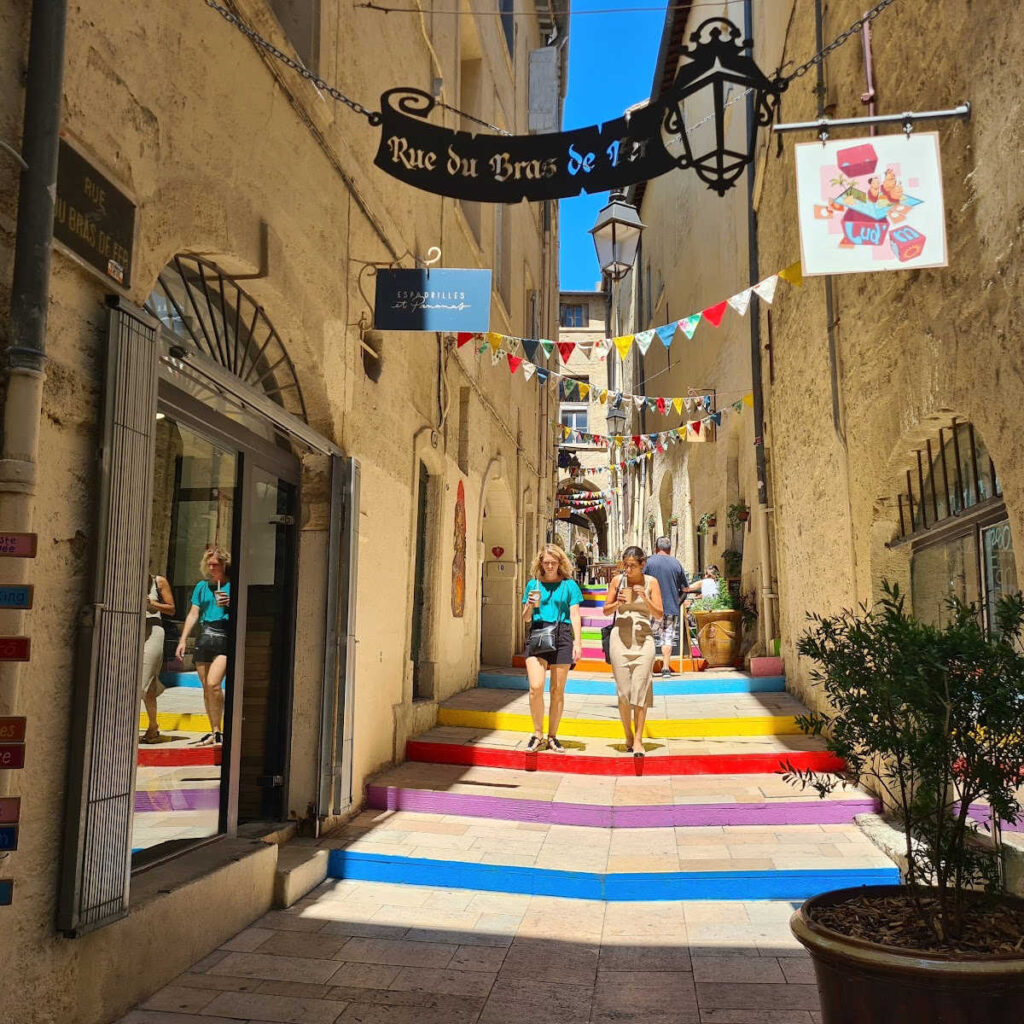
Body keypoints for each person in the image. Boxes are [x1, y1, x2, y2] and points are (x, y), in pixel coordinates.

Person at [521, 544, 583, 753]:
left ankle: (552, 736)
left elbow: (575, 615)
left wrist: (578, 642)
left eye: (553, 563)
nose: (549, 566)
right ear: (540, 563)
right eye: (546, 562)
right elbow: (526, 618)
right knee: (536, 687)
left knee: (557, 691)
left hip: (562, 635)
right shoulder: (533, 585)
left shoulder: (569, 586)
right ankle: (537, 734)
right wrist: (529, 605)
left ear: (560, 563)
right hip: (538, 633)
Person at [603, 546, 663, 757]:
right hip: (620, 637)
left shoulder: (651, 582)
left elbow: (660, 613)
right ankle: (627, 733)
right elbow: (605, 610)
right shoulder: (617, 582)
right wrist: (617, 603)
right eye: (625, 565)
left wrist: (645, 598)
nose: (628, 570)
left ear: (642, 565)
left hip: (644, 637)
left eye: (632, 566)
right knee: (624, 692)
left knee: (640, 687)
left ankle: (638, 739)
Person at [176, 546, 232, 747]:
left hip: (224, 636)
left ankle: (222, 729)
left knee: (213, 684)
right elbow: (193, 614)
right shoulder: (202, 587)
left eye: (215, 564)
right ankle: (214, 730)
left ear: (224, 564)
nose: (212, 568)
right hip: (206, 635)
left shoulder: (231, 586)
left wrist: (229, 604)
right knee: (206, 689)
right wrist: (183, 640)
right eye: (209, 565)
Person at [643, 537, 689, 677]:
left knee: (647, 637)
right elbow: (685, 590)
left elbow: (640, 582)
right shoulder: (676, 564)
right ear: (670, 549)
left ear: (656, 548)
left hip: (651, 608)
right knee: (667, 638)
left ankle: (647, 668)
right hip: (670, 608)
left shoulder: (649, 562)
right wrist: (677, 603)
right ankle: (665, 668)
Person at [140, 573, 175, 743]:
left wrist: (152, 603)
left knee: (142, 683)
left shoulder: (158, 581)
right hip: (132, 629)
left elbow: (172, 609)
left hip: (153, 630)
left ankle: (127, 730)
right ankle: (153, 727)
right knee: (149, 688)